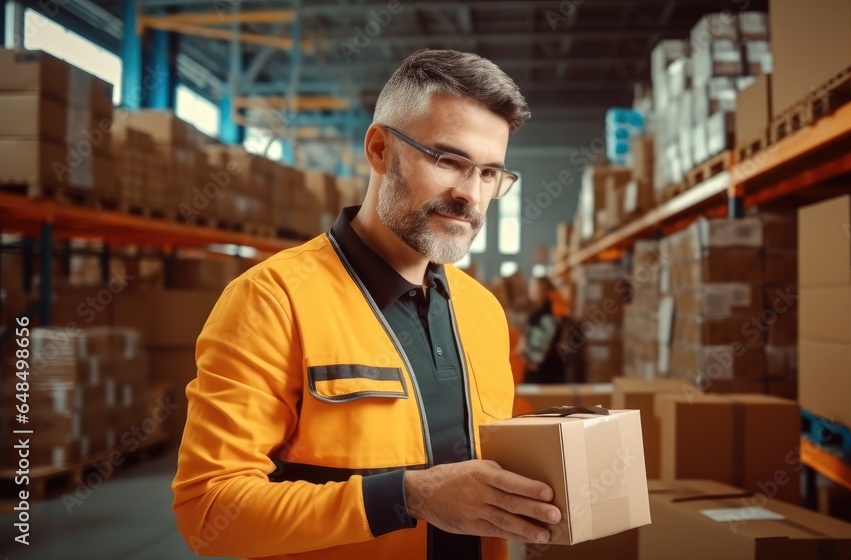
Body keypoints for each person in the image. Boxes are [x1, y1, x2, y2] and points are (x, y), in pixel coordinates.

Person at [171, 49, 562, 560]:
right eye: (449, 161)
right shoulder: (272, 301)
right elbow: (208, 514)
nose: (471, 194)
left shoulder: (483, 312)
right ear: (379, 149)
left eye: (490, 173)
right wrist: (408, 497)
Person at [520, 276, 569, 384]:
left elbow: (540, 344)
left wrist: (531, 362)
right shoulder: (552, 309)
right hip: (551, 371)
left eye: (533, 286)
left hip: (543, 375)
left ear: (542, 290)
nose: (530, 290)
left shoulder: (546, 314)